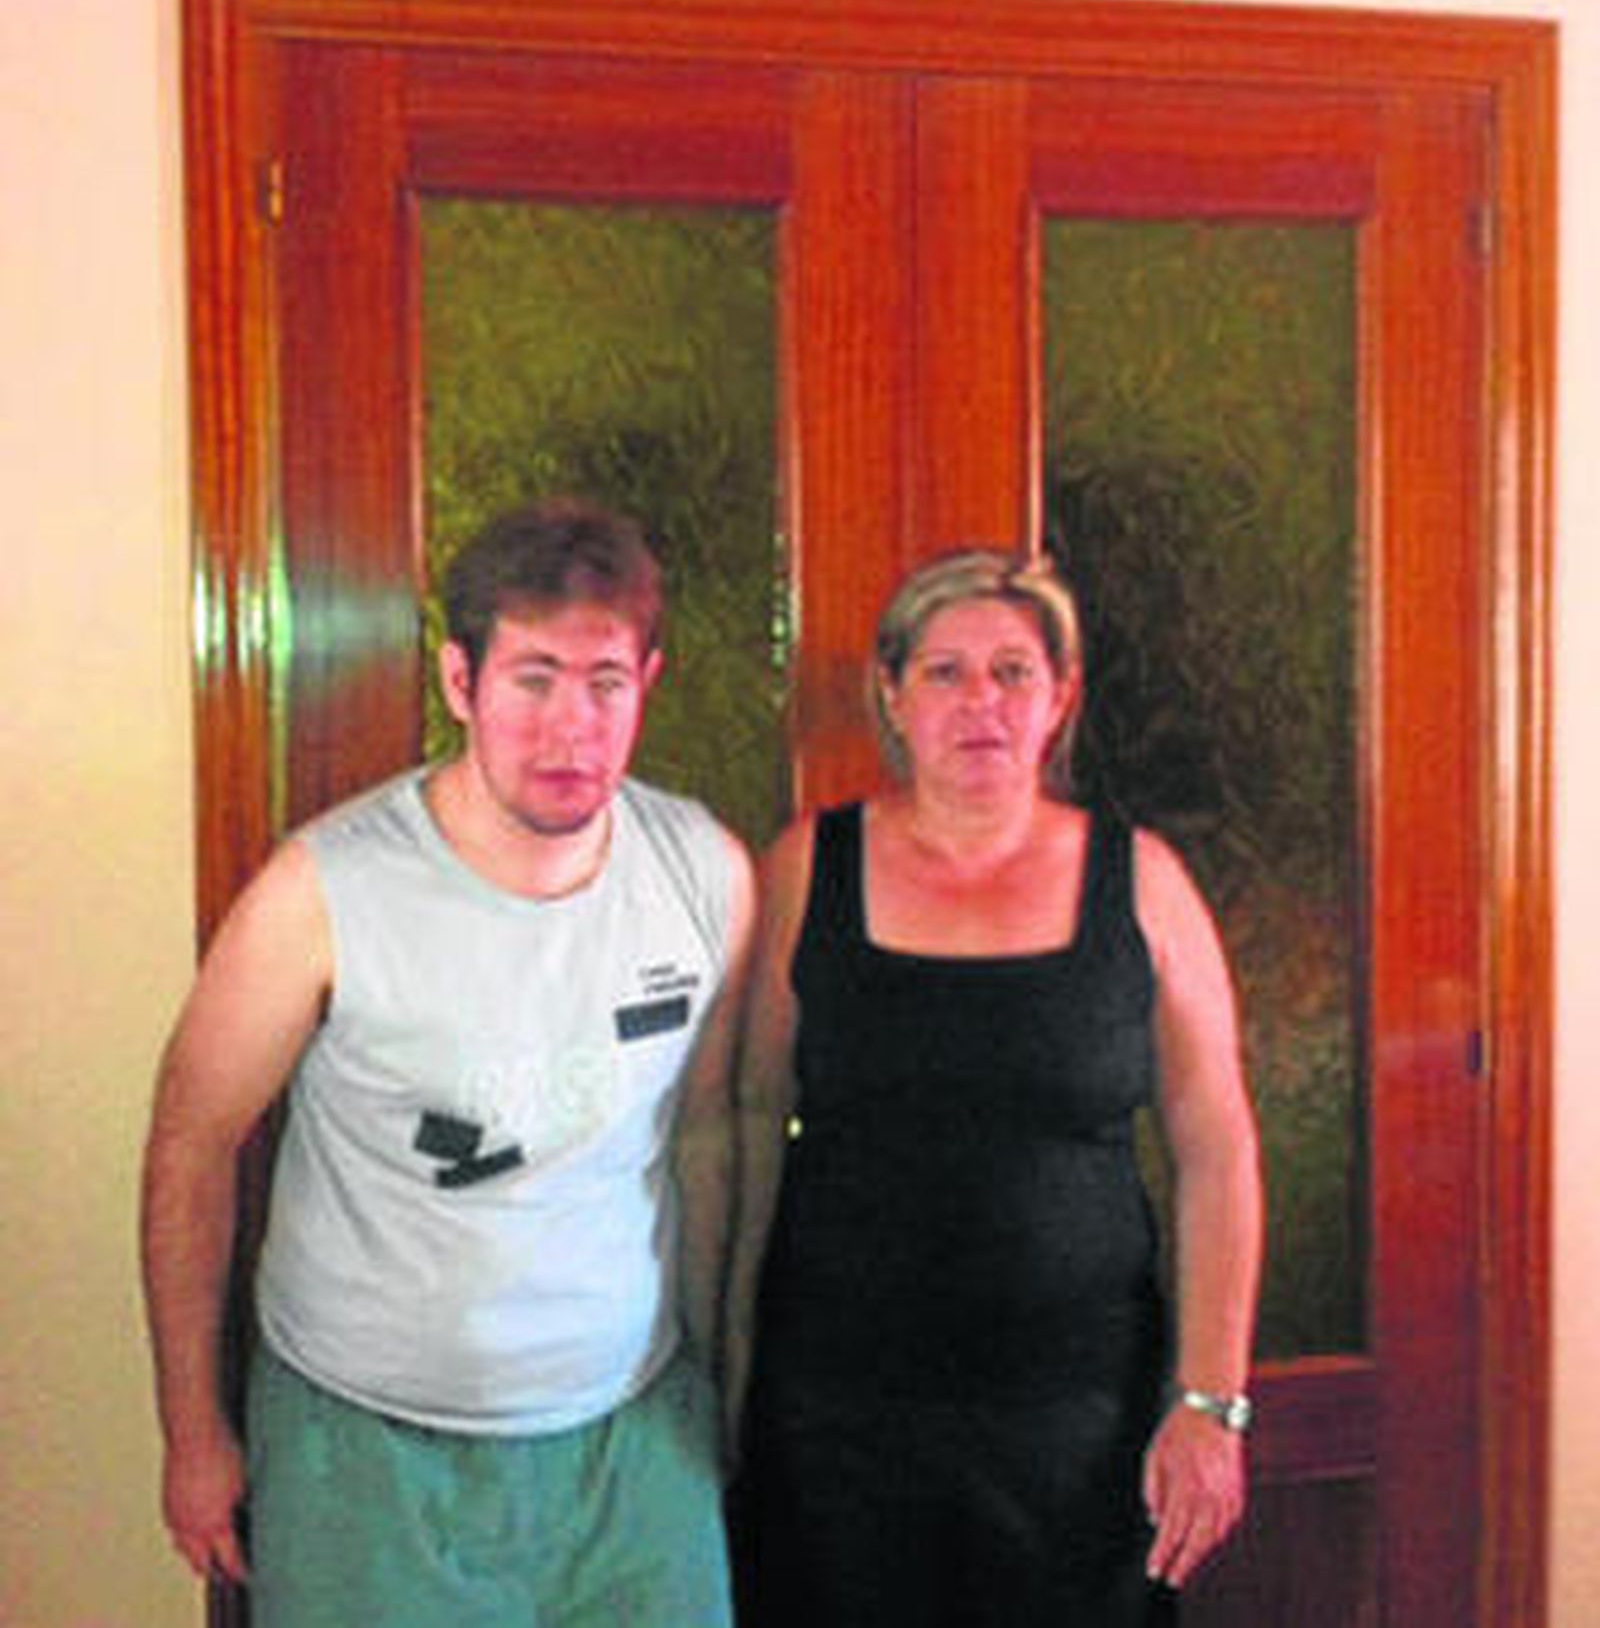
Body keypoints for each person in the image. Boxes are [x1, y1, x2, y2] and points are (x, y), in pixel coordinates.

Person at [141, 498, 755, 1627]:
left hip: (627, 1438)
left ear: (647, 683)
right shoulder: (323, 890)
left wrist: (721, 1368)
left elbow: (708, 1134)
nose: (571, 727)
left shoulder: (704, 874)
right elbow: (192, 1143)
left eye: (604, 683)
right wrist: (193, 1431)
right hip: (363, 1446)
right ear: (460, 680)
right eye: (533, 679)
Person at [725, 547, 1262, 1627]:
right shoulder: (805, 867)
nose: (982, 702)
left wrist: (1210, 1400)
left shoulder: (1143, 881)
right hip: (836, 1420)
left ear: (1059, 695)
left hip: (1081, 1432)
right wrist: (724, 1358)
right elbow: (744, 1121)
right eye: (945, 672)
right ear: (892, 693)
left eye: (1013, 671)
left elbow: (1217, 1148)